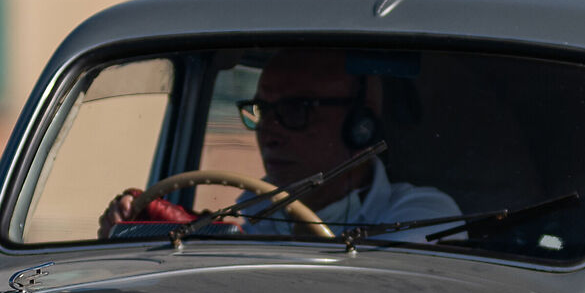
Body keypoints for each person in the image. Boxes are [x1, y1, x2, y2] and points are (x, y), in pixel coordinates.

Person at [104, 48, 460, 241]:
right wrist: (131, 230)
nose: (268, 132)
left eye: (296, 109)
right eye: (262, 110)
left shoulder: (419, 214)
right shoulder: (251, 212)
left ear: (361, 124)